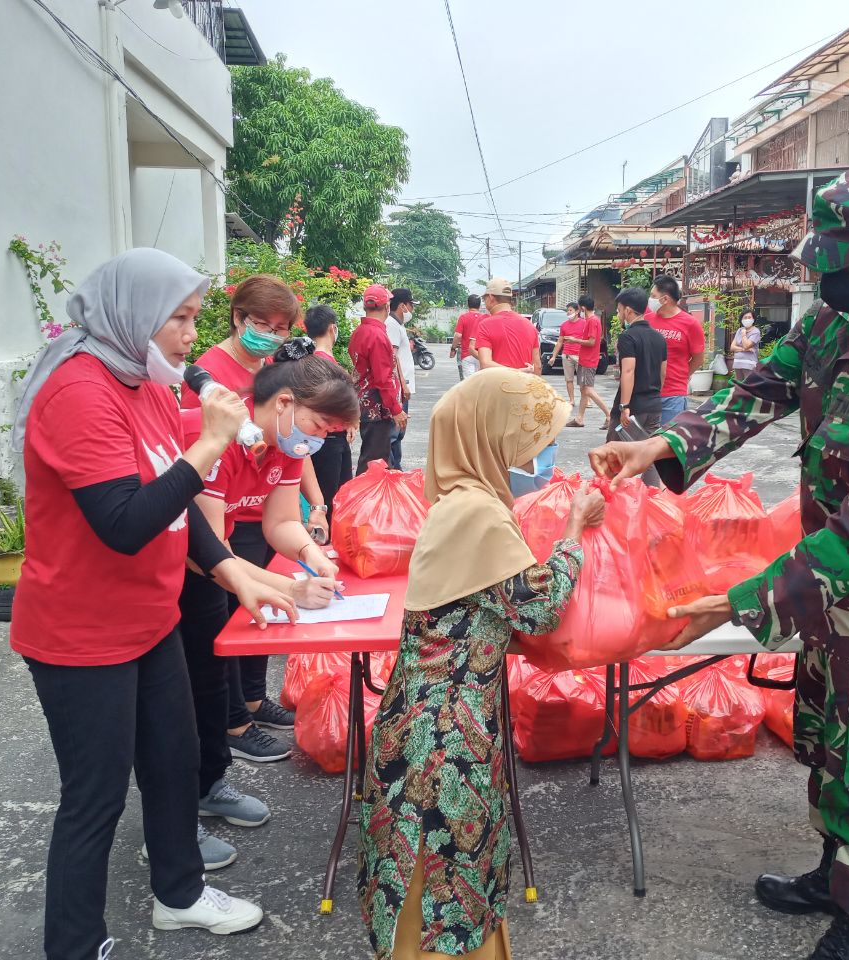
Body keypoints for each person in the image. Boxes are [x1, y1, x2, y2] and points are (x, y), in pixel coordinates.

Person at [589, 163, 849, 960]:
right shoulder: (836, 322)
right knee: (829, 745)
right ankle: (833, 876)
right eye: (823, 261)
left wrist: (743, 602)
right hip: (830, 594)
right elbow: (757, 390)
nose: (830, 279)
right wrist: (662, 442)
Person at [12, 248, 296, 958]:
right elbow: (125, 521)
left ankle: (181, 894)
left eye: (195, 317)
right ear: (129, 314)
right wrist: (209, 447)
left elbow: (178, 513)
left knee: (172, 761)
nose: (188, 336)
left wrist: (233, 570)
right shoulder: (79, 391)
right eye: (178, 318)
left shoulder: (142, 385)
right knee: (95, 798)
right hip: (82, 635)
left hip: (150, 619)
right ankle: (75, 945)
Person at [357, 368, 606, 960]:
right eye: (533, 436)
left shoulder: (460, 499)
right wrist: (574, 529)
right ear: (489, 435)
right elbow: (538, 607)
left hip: (437, 723)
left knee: (451, 874)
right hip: (444, 740)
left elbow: (485, 608)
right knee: (446, 878)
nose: (543, 450)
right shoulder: (479, 513)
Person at [178, 336, 357, 866]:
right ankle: (176, 818)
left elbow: (280, 522)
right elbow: (208, 551)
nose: (319, 442)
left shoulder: (280, 446)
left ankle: (211, 786)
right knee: (179, 704)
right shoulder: (214, 438)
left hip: (218, 578)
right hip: (180, 579)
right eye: (319, 428)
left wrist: (312, 555)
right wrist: (290, 588)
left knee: (211, 692)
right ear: (285, 404)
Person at [180, 275, 329, 751]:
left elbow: (293, 446)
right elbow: (205, 455)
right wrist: (295, 586)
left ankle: (251, 699)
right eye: (263, 324)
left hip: (261, 506)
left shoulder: (273, 368)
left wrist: (314, 506)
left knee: (259, 612)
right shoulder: (208, 377)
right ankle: (233, 722)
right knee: (224, 615)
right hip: (218, 504)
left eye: (283, 328)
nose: (273, 335)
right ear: (238, 318)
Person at [607, 287, 667, 480]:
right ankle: (652, 502)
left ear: (628, 311)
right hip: (654, 406)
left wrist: (625, 406)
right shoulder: (659, 338)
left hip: (632, 409)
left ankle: (611, 501)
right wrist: (655, 396)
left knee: (612, 455)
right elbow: (663, 372)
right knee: (648, 457)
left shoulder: (628, 337)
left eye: (619, 310)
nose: (618, 314)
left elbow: (628, 370)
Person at [305, 303, 357, 514]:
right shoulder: (323, 363)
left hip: (332, 438)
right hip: (329, 440)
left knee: (334, 498)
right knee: (330, 500)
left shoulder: (311, 361)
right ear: (332, 328)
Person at [350, 284, 407, 474]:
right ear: (387, 307)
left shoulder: (360, 332)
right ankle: (364, 500)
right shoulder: (377, 336)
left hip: (366, 402)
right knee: (373, 463)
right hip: (377, 408)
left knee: (376, 457)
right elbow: (383, 379)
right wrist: (396, 409)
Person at [646, 275, 706, 425]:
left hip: (673, 396)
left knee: (668, 442)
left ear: (665, 299)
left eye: (653, 296)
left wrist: (683, 377)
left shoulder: (690, 324)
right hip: (647, 393)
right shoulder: (647, 320)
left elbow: (698, 359)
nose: (650, 299)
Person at [564, 294, 610, 430]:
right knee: (584, 390)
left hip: (589, 360)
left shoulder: (592, 321)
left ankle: (609, 415)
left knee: (588, 390)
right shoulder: (591, 320)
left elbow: (592, 342)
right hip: (586, 359)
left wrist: (574, 340)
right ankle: (579, 418)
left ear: (582, 308)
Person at [475, 278, 539, 372]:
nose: (484, 301)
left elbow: (485, 364)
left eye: (484, 298)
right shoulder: (530, 326)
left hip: (497, 385)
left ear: (491, 297)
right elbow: (537, 366)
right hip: (524, 385)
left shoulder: (485, 325)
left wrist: (517, 371)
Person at [387, 288, 418, 470]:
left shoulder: (397, 325)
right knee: (394, 431)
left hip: (402, 386)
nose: (411, 310)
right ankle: (393, 469)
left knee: (398, 432)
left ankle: (396, 468)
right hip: (399, 387)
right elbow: (392, 357)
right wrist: (402, 385)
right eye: (411, 305)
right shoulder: (391, 324)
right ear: (402, 306)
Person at [547, 301, 582, 408]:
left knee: (583, 380)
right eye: (568, 310)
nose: (568, 312)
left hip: (581, 355)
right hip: (567, 355)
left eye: (570, 310)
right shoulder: (564, 325)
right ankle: (571, 400)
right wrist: (553, 356)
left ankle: (586, 399)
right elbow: (560, 342)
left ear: (577, 311)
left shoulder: (584, 323)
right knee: (569, 379)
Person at [452, 294, 485, 380]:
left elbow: (458, 335)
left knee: (469, 383)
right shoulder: (484, 318)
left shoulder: (463, 317)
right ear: (480, 305)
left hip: (467, 354)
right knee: (480, 381)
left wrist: (453, 349)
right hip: (481, 354)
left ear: (468, 304)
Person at [729, 309, 762, 383]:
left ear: (753, 319)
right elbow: (732, 347)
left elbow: (746, 345)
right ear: (741, 320)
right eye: (745, 317)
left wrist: (744, 334)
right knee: (739, 385)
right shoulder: (739, 330)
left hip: (749, 364)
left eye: (749, 317)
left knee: (748, 384)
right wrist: (744, 349)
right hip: (738, 362)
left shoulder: (755, 331)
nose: (747, 319)